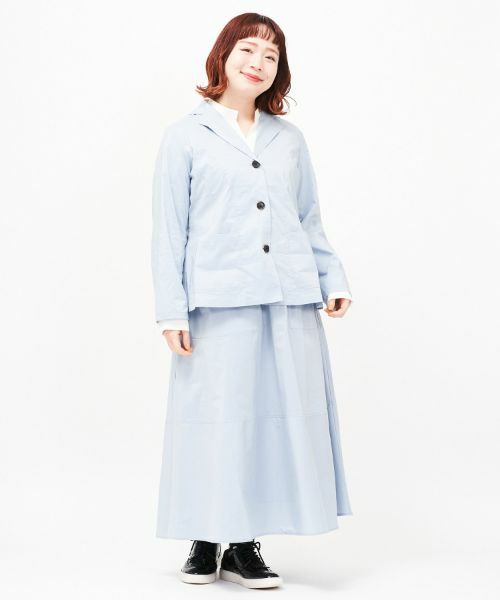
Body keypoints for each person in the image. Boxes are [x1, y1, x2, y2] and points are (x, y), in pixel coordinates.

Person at [151, 12, 354, 589]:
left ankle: (244, 545)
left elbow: (307, 217)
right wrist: (171, 309)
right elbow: (169, 230)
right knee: (215, 421)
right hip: (216, 301)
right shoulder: (186, 136)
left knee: (267, 423)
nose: (258, 62)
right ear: (222, 54)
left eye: (271, 55)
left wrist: (332, 278)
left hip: (287, 299)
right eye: (247, 49)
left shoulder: (289, 140)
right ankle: (203, 540)